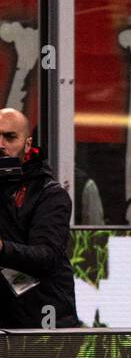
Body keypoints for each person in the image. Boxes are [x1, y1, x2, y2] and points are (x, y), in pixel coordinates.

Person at [0, 109, 77, 329]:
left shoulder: (50, 194)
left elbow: (47, 257)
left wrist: (2, 247)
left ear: (27, 143)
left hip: (43, 320)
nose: (1, 144)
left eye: (10, 137)